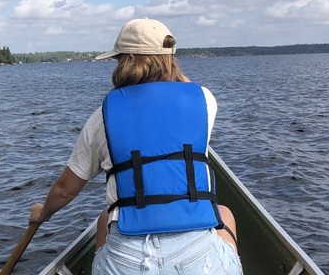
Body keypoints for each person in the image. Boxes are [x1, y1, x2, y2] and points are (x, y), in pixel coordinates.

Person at [29, 18, 242, 274]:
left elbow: (64, 190)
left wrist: (43, 213)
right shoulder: (205, 101)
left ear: (123, 62)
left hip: (127, 264)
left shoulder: (102, 118)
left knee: (105, 220)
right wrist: (168, 61)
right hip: (198, 261)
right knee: (225, 213)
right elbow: (186, 87)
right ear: (171, 59)